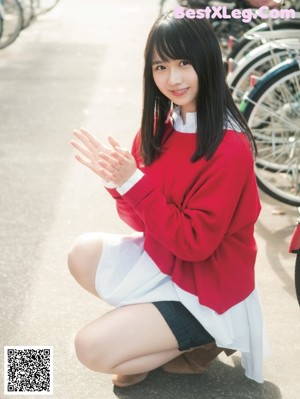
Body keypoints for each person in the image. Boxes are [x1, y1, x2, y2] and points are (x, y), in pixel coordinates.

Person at [68, 10, 267, 389]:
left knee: (89, 347)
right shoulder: (160, 127)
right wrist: (120, 184)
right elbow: (142, 222)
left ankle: (200, 338)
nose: (173, 78)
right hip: (168, 263)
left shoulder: (230, 147)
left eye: (184, 63)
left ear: (207, 62)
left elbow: (195, 244)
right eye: (160, 66)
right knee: (80, 252)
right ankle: (155, 333)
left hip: (209, 287)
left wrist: (134, 184)